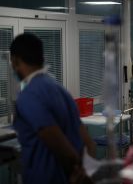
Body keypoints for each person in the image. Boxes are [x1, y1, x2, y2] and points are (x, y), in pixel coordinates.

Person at [10, 33, 95, 184]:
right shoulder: (60, 90)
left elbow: (56, 142)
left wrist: (76, 173)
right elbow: (89, 143)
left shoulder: (28, 95)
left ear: (15, 60)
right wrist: (84, 172)